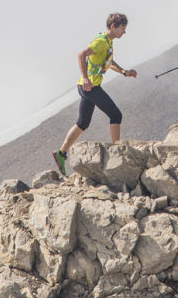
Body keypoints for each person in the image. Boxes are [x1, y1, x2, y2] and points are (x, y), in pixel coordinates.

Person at [52, 13, 137, 176]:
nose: (124, 33)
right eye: (122, 29)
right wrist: (84, 78)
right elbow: (81, 55)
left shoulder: (108, 42)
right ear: (113, 26)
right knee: (116, 115)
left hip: (88, 87)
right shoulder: (100, 41)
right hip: (90, 87)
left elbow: (109, 62)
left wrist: (124, 72)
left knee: (83, 123)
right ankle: (117, 150)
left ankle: (60, 154)